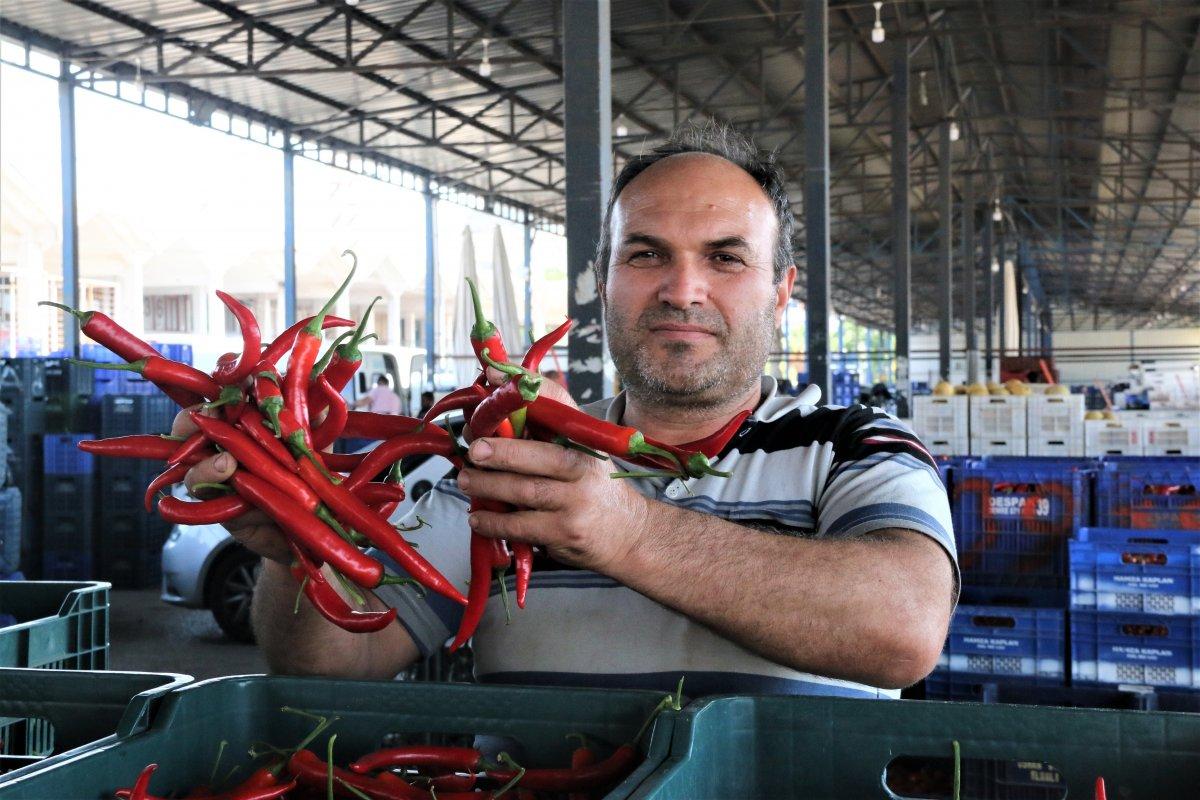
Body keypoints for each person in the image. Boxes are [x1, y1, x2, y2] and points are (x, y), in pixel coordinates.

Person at [177, 122, 955, 697]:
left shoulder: (857, 449)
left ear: (780, 292)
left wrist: (623, 529)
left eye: (725, 257)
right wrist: (296, 551)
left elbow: (904, 629)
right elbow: (326, 663)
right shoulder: (499, 458)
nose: (683, 289)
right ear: (603, 280)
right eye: (646, 253)